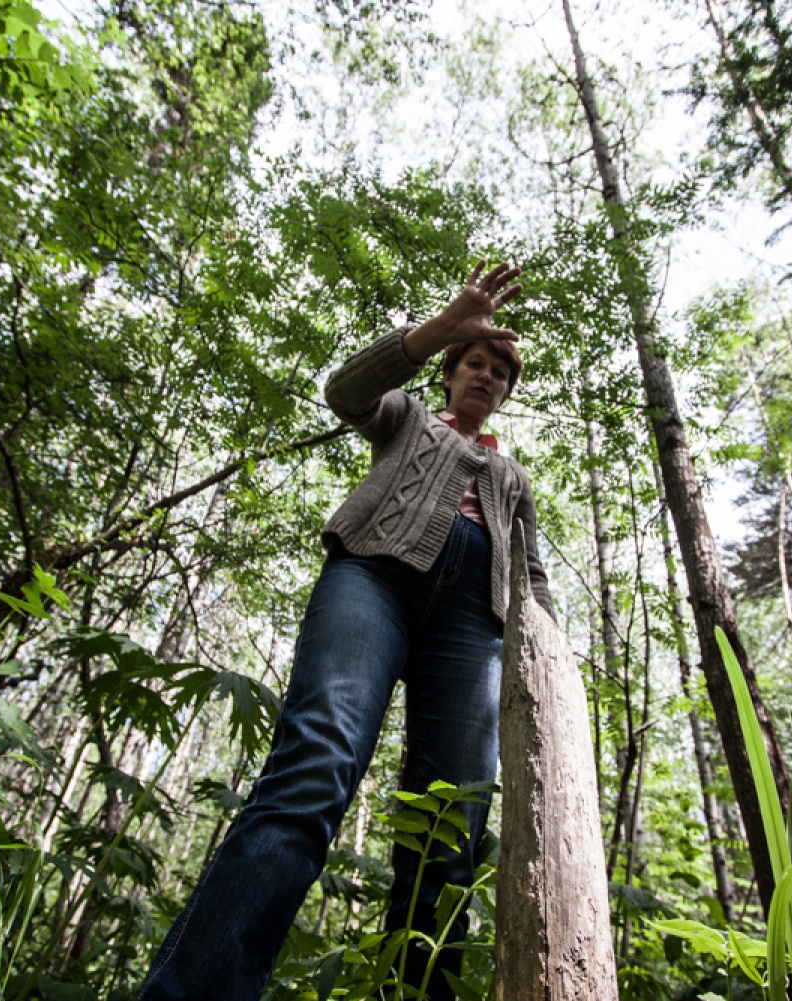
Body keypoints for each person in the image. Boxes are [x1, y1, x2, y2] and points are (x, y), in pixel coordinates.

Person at [138, 261, 555, 1001]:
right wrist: (439, 329)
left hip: (473, 626)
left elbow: (532, 575)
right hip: (373, 578)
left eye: (499, 373)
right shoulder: (407, 418)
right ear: (451, 373)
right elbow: (344, 391)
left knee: (451, 825)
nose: (487, 377)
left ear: (505, 393)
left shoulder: (513, 476)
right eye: (475, 363)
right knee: (315, 764)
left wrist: (547, 664)